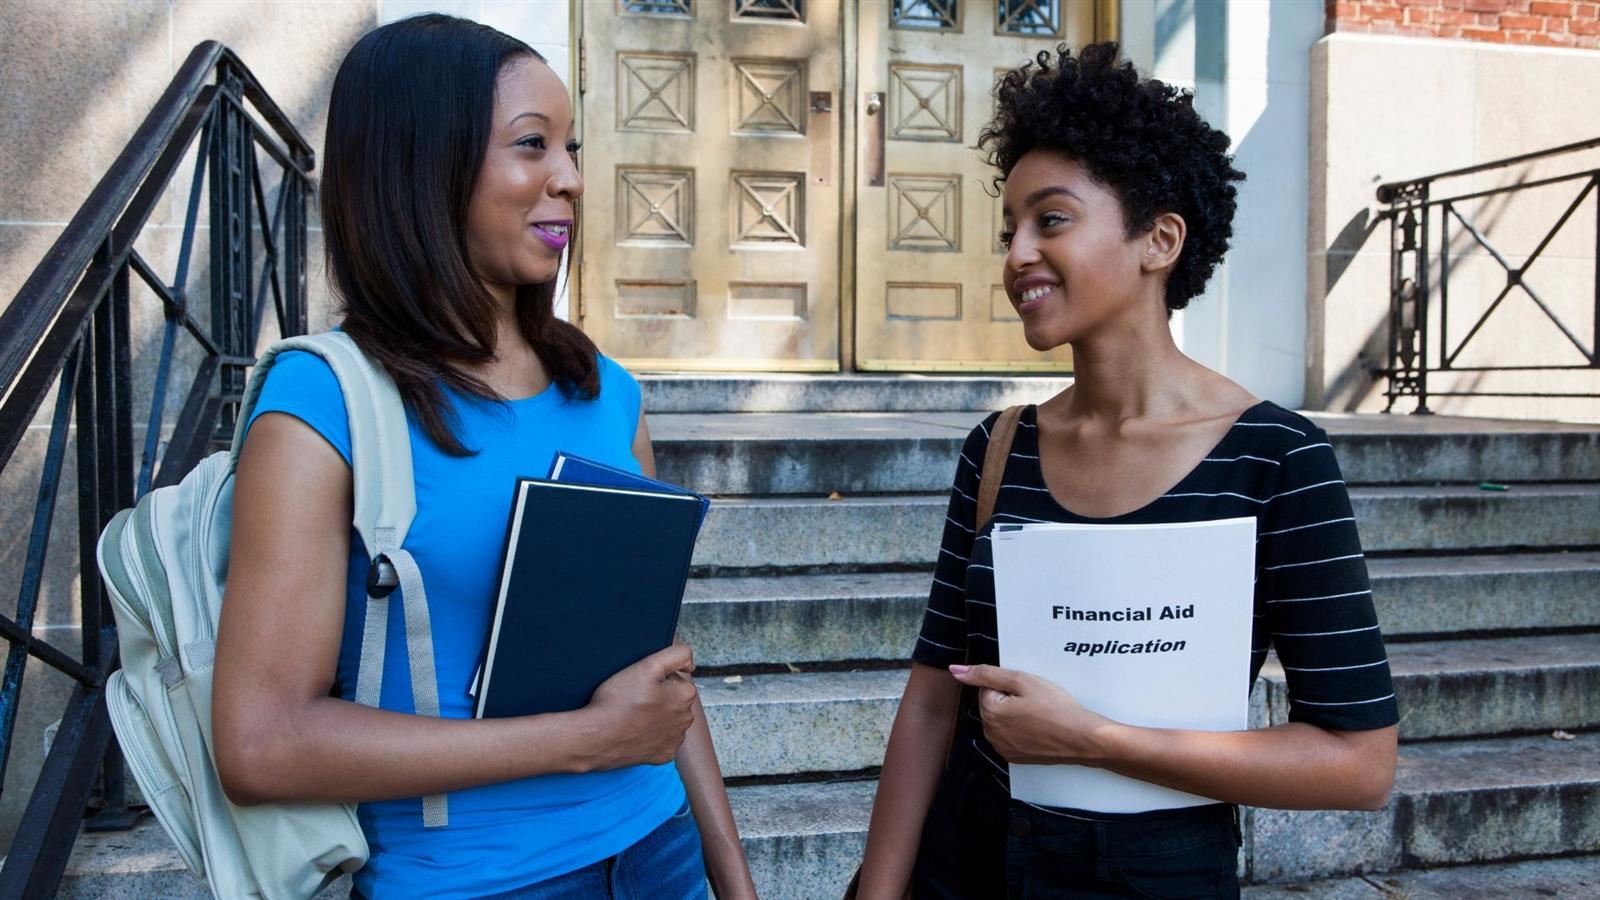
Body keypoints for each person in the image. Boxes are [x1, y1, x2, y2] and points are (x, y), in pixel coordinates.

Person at [210, 15, 756, 900]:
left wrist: (733, 878)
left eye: (571, 147)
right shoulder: (324, 403)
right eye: (532, 146)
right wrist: (584, 740)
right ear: (423, 164)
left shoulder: (607, 391)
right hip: (472, 881)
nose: (572, 180)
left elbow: (654, 664)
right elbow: (262, 745)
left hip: (662, 852)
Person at [855, 43, 1399, 899]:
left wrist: (1095, 739)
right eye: (1010, 232)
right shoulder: (997, 448)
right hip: (967, 864)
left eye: (1052, 220)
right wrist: (878, 892)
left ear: (1160, 240)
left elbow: (1357, 763)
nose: (1016, 256)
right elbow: (932, 700)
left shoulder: (1278, 459)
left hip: (1157, 878)